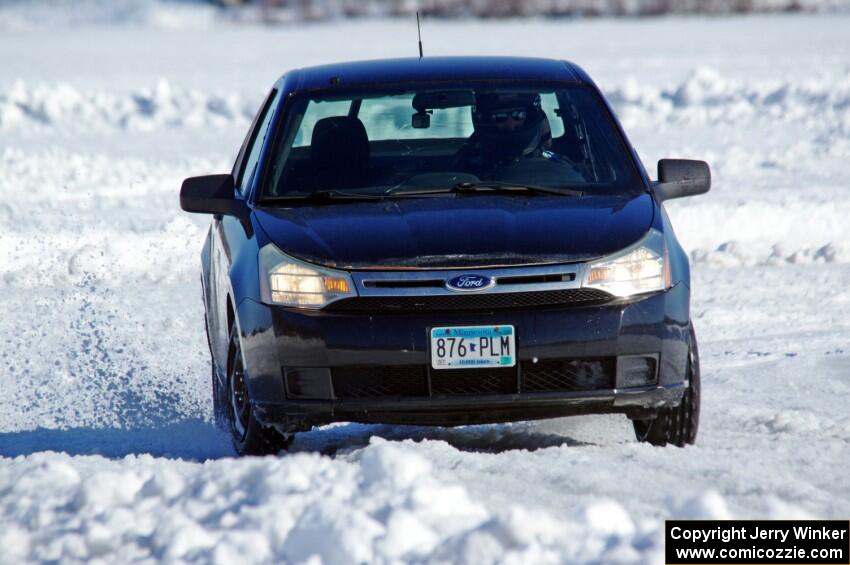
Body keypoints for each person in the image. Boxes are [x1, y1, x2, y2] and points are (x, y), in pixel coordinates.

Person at [453, 92, 554, 176]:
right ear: (488, 120)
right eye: (500, 117)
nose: (511, 125)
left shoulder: (550, 160)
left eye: (518, 115)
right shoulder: (470, 162)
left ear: (529, 117)